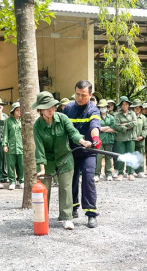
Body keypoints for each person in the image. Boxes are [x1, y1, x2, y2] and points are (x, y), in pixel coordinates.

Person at [32, 91, 92, 230]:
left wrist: (82, 141)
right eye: (47, 107)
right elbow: (39, 147)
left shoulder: (63, 118)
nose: (51, 110)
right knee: (44, 189)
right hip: (46, 161)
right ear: (40, 109)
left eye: (53, 106)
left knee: (65, 188)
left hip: (64, 158)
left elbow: (73, 132)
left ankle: (66, 217)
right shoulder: (37, 126)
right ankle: (42, 217)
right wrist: (41, 169)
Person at [63, 80, 101, 228]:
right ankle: (72, 207)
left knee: (88, 178)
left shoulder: (93, 109)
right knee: (70, 179)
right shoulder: (68, 108)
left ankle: (91, 213)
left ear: (90, 95)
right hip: (72, 150)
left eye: (83, 95)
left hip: (88, 151)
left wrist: (96, 138)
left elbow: (94, 125)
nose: (79, 98)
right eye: (77, 94)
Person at [114, 96, 137, 181]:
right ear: (120, 106)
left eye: (126, 104)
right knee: (121, 155)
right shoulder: (117, 115)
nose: (124, 106)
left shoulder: (132, 113)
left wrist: (124, 125)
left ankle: (130, 173)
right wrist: (127, 126)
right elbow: (116, 126)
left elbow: (135, 123)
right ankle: (120, 173)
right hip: (120, 138)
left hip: (130, 138)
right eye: (123, 105)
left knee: (130, 155)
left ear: (128, 105)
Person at [3, 102, 24, 190]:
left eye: (20, 110)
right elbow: (5, 134)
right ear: (13, 111)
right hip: (11, 146)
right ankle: (12, 181)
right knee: (11, 165)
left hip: (21, 147)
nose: (19, 112)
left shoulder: (23, 120)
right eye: (17, 110)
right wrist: (5, 144)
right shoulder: (8, 121)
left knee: (21, 164)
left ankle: (21, 180)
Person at [94, 99, 115, 182]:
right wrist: (107, 127)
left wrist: (102, 129)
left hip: (109, 139)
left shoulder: (111, 117)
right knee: (98, 157)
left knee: (109, 157)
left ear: (107, 108)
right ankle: (97, 174)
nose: (103, 108)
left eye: (104, 107)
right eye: (101, 107)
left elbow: (113, 128)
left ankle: (109, 173)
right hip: (99, 140)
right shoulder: (96, 117)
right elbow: (96, 128)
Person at [131, 99, 147, 178]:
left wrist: (142, 136)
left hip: (141, 139)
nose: (137, 109)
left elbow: (146, 128)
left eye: (139, 108)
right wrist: (133, 137)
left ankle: (140, 171)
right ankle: (131, 171)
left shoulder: (143, 118)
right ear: (133, 108)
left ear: (141, 108)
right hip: (131, 139)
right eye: (135, 108)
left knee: (140, 155)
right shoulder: (130, 116)